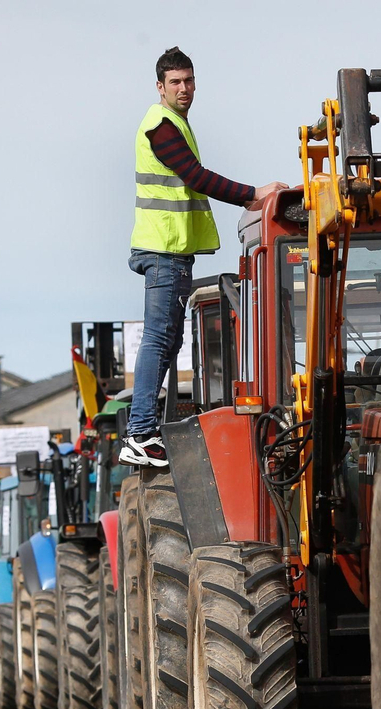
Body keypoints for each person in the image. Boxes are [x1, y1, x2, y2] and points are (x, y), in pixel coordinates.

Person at [118, 45, 286, 468]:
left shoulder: (174, 123)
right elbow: (195, 177)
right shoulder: (161, 126)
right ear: (160, 87)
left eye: (189, 80)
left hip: (171, 251)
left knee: (170, 339)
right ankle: (140, 432)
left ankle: (144, 430)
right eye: (175, 82)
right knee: (159, 338)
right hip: (164, 250)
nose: (184, 88)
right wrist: (253, 194)